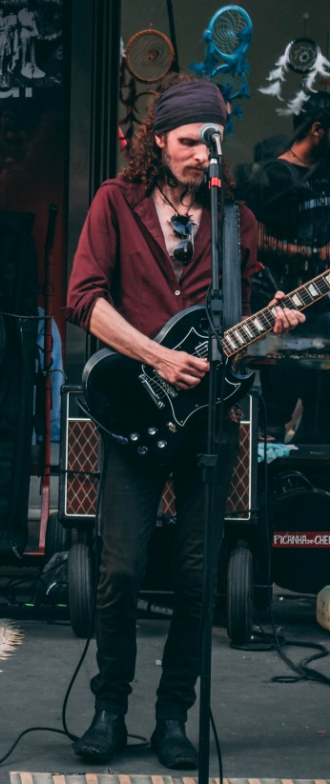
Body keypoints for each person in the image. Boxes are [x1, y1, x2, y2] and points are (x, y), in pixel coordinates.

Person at [64, 76, 303, 769]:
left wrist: (273, 319)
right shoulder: (117, 203)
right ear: (160, 140)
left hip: (208, 425)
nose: (204, 153)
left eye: (213, 141)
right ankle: (111, 708)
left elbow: (236, 326)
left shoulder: (238, 221)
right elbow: (84, 299)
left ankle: (174, 715)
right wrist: (157, 357)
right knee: (120, 569)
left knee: (199, 578)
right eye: (192, 141)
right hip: (135, 408)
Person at [239, 91, 330, 441]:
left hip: (325, 313)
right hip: (281, 309)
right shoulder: (272, 174)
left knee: (322, 416)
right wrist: (314, 254)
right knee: (275, 414)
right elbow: (254, 237)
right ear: (318, 129)